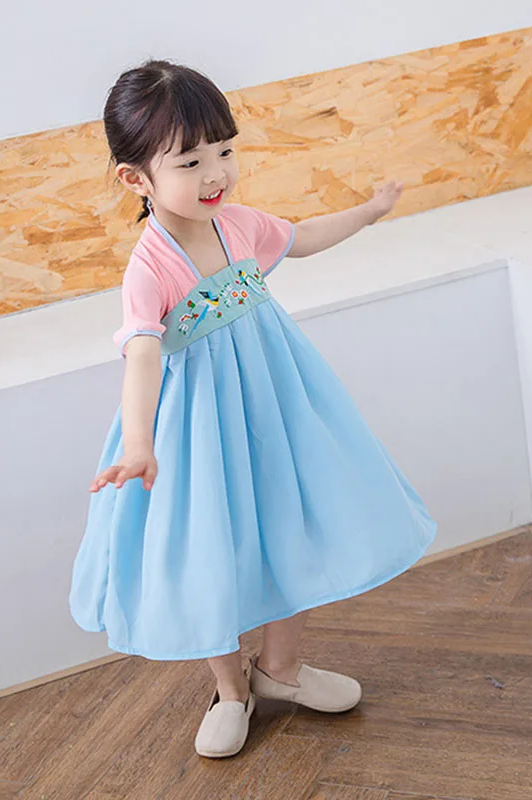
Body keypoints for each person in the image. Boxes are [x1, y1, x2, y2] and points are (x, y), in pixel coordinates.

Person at [68, 59, 437, 759]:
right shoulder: (150, 266)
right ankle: (230, 689)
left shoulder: (237, 226)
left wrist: (368, 212)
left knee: (290, 522)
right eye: (189, 162)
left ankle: (281, 670)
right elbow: (142, 354)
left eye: (224, 151)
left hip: (273, 403)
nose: (216, 174)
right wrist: (139, 444)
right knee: (213, 543)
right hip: (198, 426)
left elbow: (302, 236)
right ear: (136, 179)